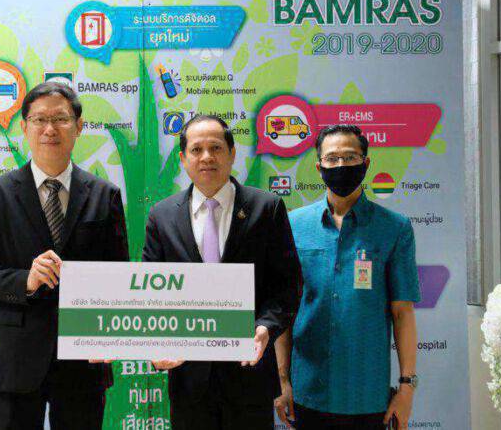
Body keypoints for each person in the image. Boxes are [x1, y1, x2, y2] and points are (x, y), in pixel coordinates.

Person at [0, 82, 129, 430]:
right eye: (39, 120)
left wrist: (111, 335)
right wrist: (26, 279)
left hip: (83, 357)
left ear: (78, 127)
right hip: (15, 358)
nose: (50, 129)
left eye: (60, 119)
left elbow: (118, 276)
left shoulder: (104, 195)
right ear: (24, 127)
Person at [142, 115, 302, 430]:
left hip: (249, 374)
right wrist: (155, 343)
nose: (206, 157)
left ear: (232, 154)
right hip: (188, 379)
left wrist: (266, 327)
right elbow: (151, 293)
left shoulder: (266, 208)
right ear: (182, 158)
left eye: (216, 148)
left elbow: (288, 285)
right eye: (196, 149)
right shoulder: (162, 216)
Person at [275, 124, 420, 430]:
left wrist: (406, 387)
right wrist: (283, 380)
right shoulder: (294, 225)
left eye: (350, 157)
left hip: (368, 395)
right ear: (319, 167)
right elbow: (284, 310)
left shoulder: (394, 228)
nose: (341, 165)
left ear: (365, 163)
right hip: (308, 392)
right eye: (332, 158)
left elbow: (402, 312)